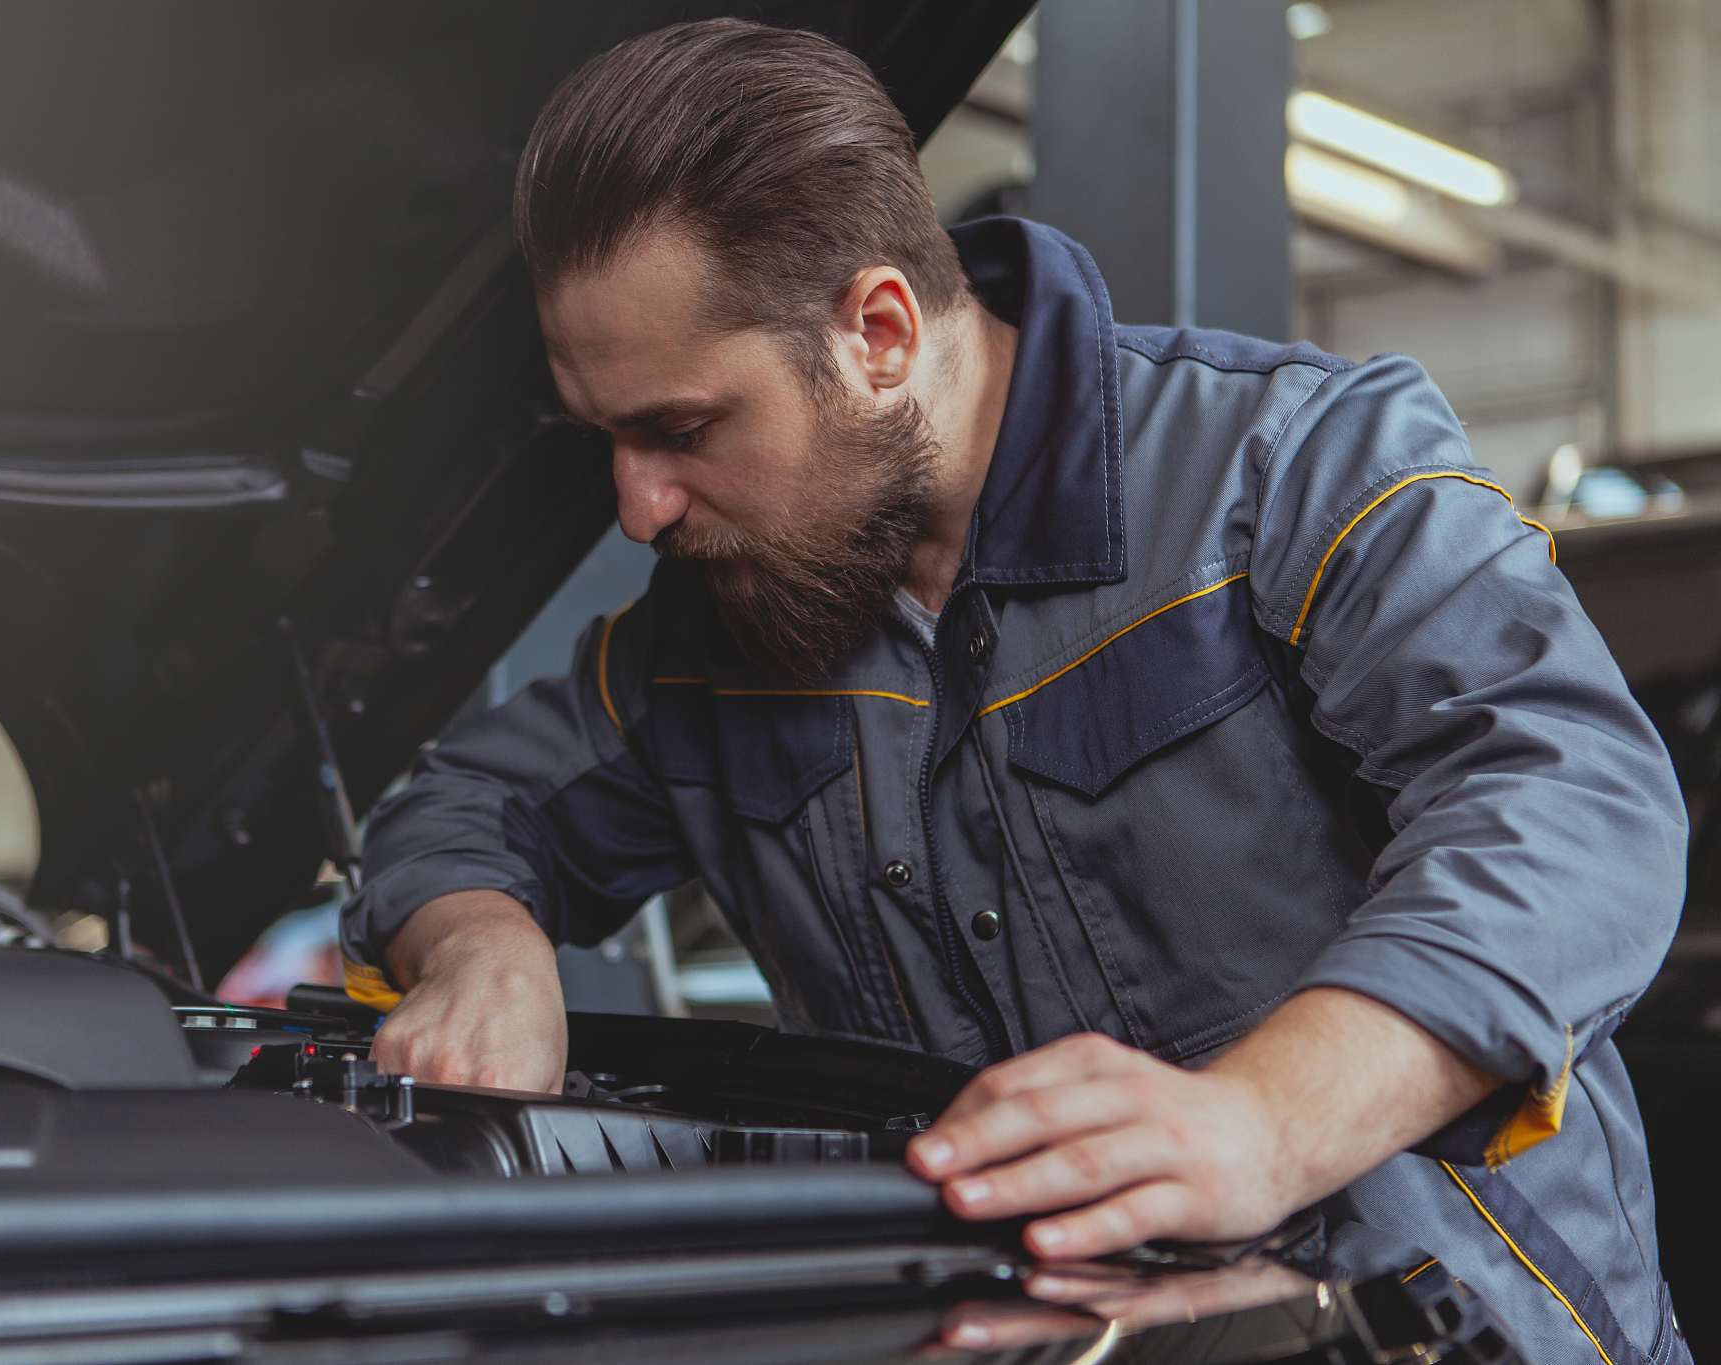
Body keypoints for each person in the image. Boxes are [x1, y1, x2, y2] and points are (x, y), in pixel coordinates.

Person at [343, 18, 1689, 1362]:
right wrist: (483, 947)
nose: (638, 509)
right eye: (607, 441)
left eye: (681, 429)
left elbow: (1576, 806)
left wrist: (1265, 1121)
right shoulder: (708, 643)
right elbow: (457, 814)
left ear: (877, 332)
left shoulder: (1290, 465)